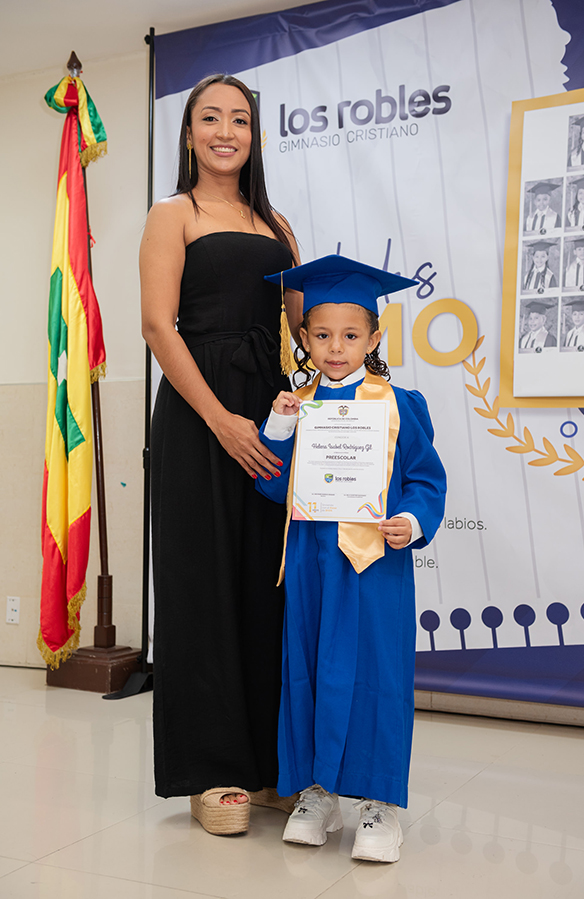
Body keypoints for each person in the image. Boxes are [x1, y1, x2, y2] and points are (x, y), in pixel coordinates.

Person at [140, 73, 303, 835]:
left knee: (266, 583)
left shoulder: (278, 223)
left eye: (240, 119)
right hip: (198, 412)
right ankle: (210, 772)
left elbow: (304, 325)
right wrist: (222, 421)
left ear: (255, 136)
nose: (226, 131)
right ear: (189, 134)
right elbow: (158, 326)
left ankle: (267, 764)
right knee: (200, 584)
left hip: (269, 411)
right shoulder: (171, 213)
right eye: (211, 118)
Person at [256, 256, 446, 863]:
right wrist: (277, 428)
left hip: (373, 565)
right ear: (304, 337)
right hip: (311, 561)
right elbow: (272, 487)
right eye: (321, 335)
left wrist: (412, 520)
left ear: (373, 338)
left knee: (376, 675)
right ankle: (315, 793)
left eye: (349, 335)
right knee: (307, 670)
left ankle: (379, 803)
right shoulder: (299, 405)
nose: (335, 348)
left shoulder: (399, 404)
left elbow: (425, 480)